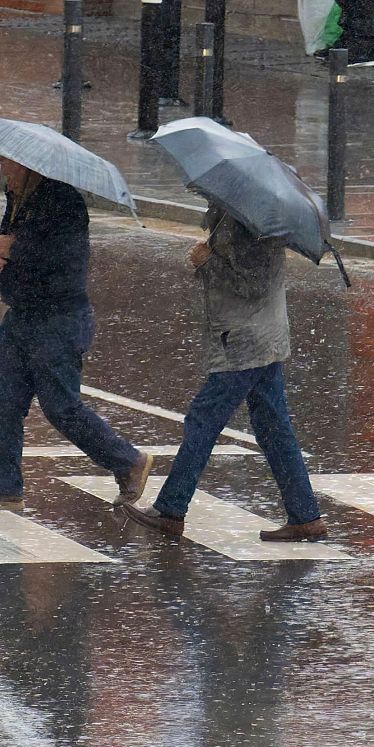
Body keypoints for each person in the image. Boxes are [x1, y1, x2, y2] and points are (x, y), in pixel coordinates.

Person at [120, 203, 327, 542]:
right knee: (274, 429)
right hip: (262, 337)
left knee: (204, 420)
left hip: (245, 340)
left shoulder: (251, 220)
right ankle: (305, 515)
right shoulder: (246, 215)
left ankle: (171, 509)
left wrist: (207, 263)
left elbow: (252, 285)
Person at [0, 159, 153, 512]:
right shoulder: (18, 198)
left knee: (61, 408)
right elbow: (0, 248)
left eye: (8, 165)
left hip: (58, 321)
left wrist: (12, 251)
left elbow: (59, 262)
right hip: (20, 318)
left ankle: (128, 461)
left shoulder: (64, 204)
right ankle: (3, 485)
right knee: (4, 403)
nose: (4, 171)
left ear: (29, 167)